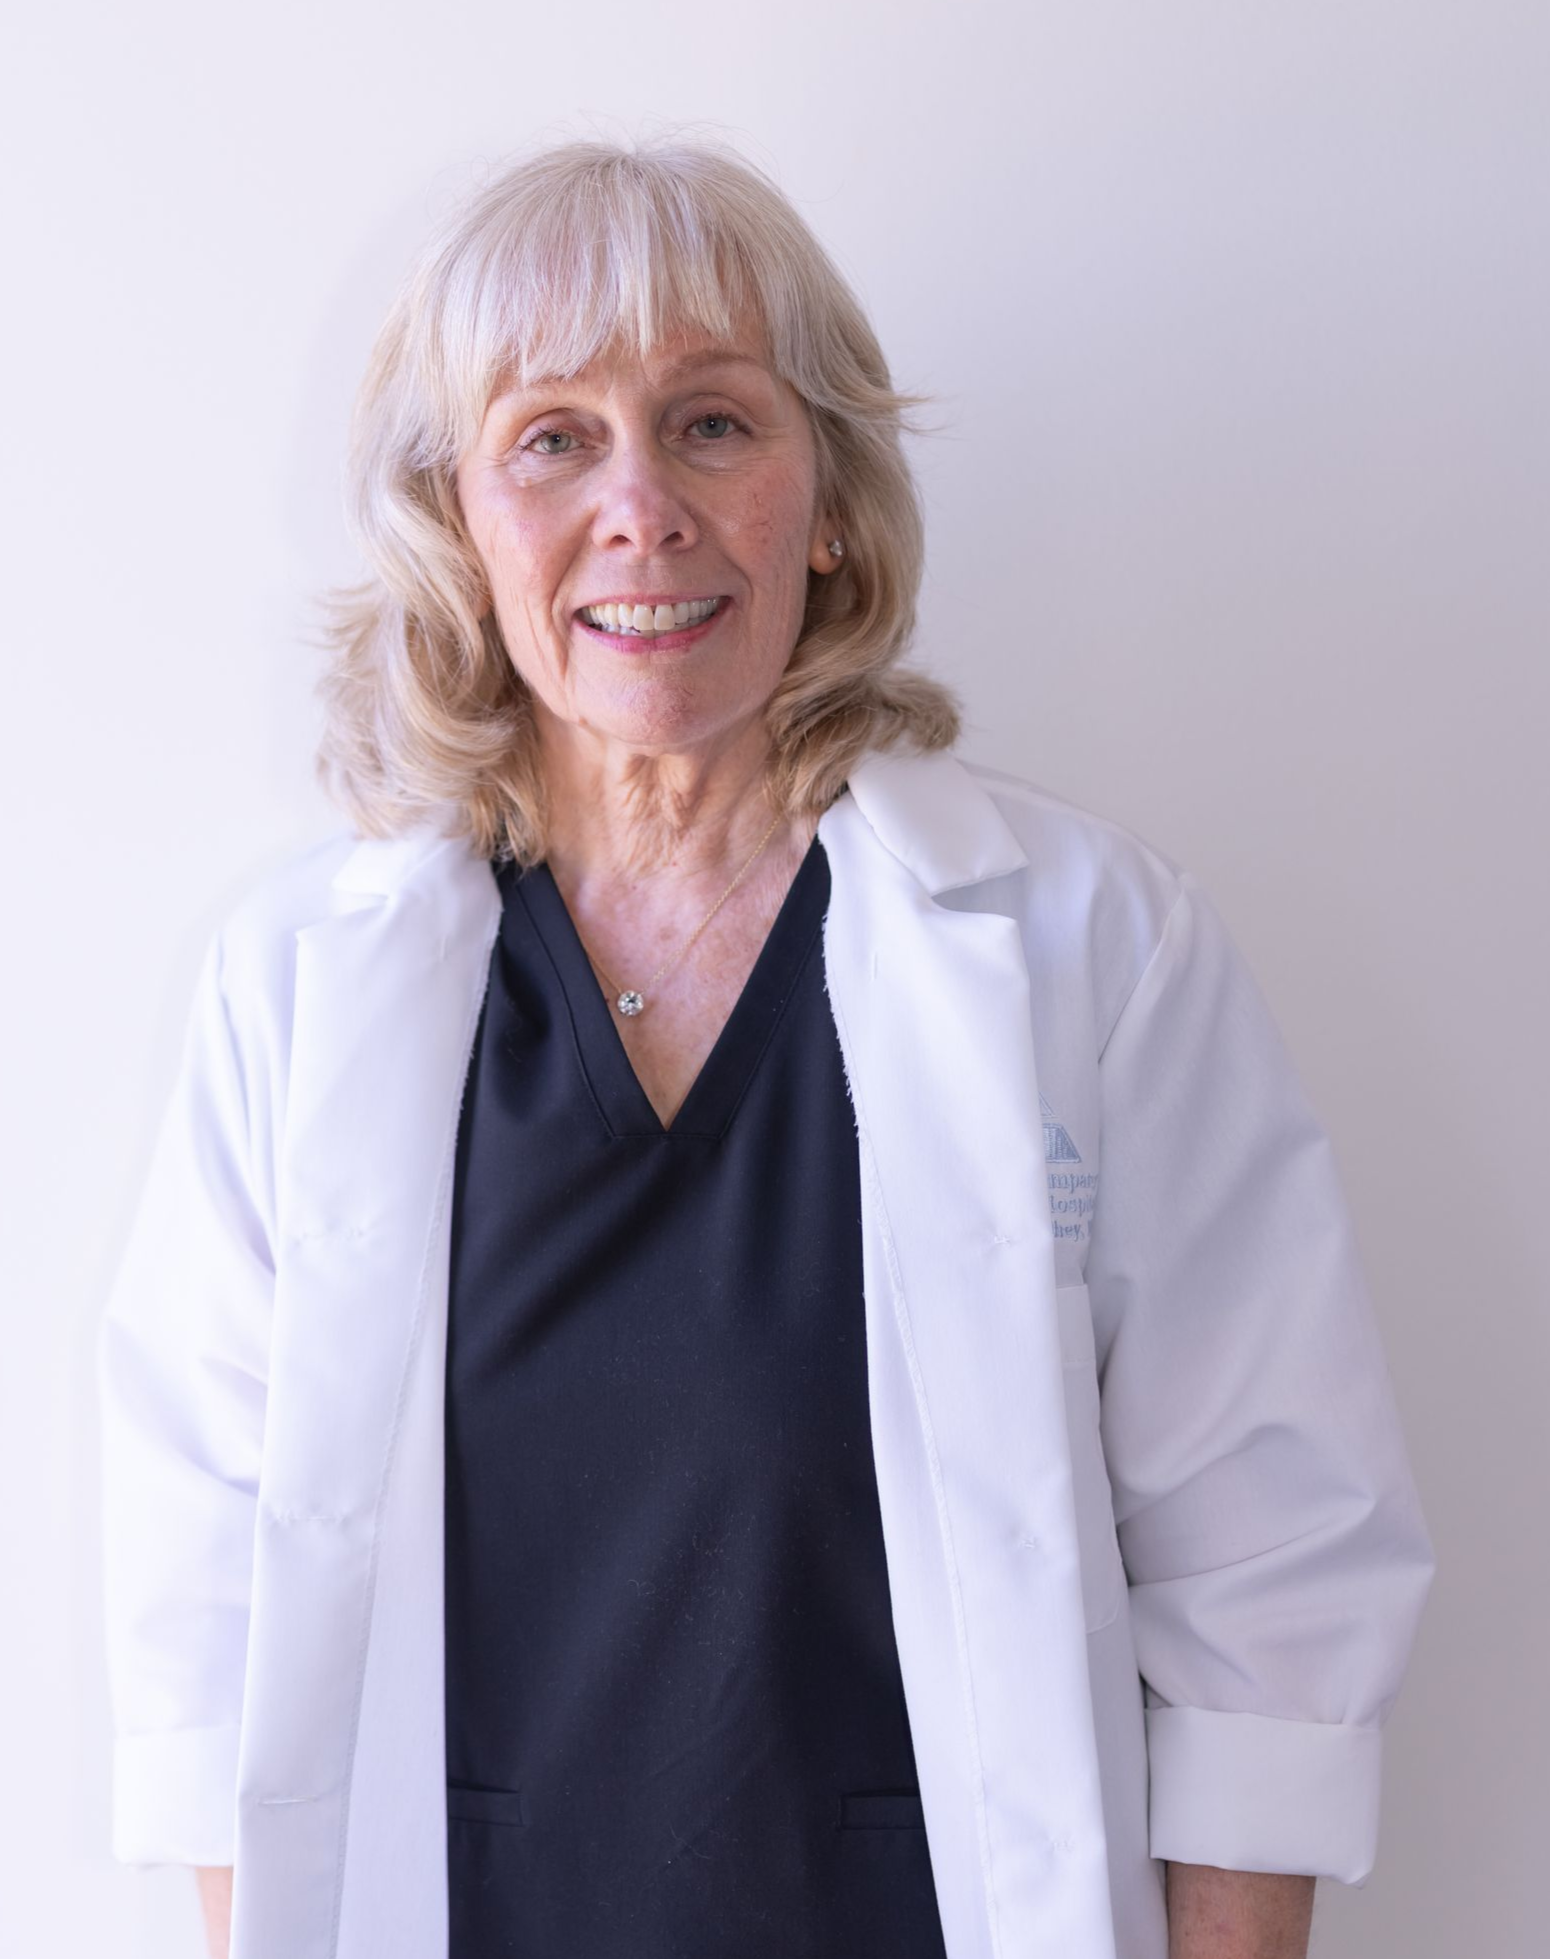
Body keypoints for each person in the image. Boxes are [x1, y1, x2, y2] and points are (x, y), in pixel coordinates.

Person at [95, 135, 1435, 1959]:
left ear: (829, 499)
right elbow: (208, 1619)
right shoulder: (302, 991)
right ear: (461, 525)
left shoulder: (1084, 948)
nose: (640, 507)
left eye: (714, 423)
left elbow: (1269, 1570)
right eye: (552, 437)